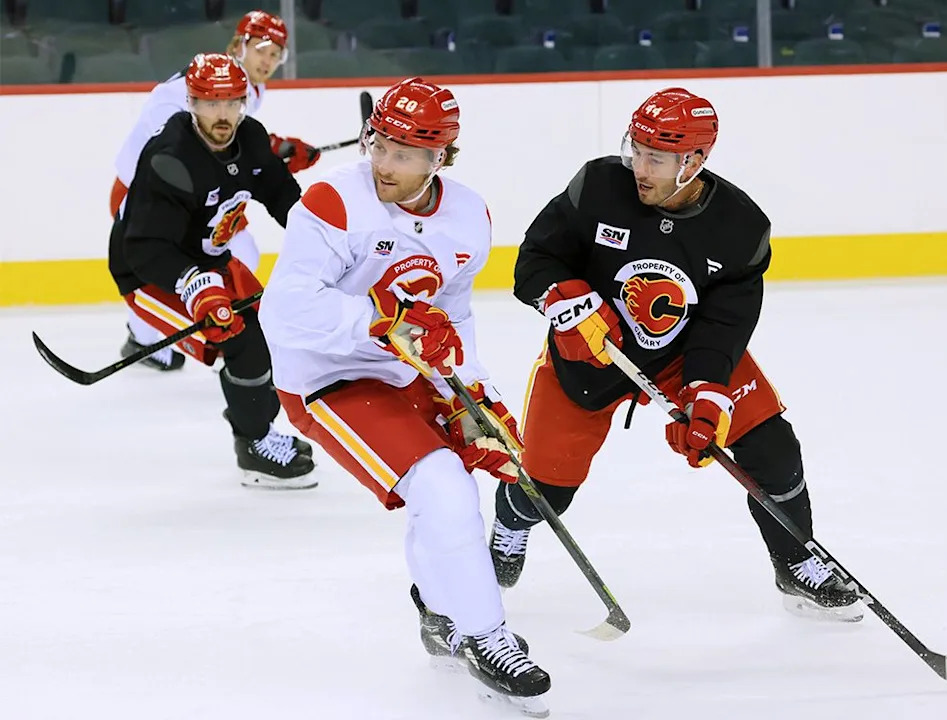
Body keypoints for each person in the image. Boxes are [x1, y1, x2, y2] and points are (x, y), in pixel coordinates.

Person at [487, 87, 862, 623]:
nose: (640, 166)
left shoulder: (740, 227)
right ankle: (511, 521)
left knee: (771, 447)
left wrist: (708, 388)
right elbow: (535, 261)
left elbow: (725, 322)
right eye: (635, 150)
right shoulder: (598, 185)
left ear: (695, 160)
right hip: (589, 354)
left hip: (682, 355)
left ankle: (796, 561)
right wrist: (564, 300)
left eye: (656, 158)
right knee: (548, 488)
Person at [258, 77, 552, 707]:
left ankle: (443, 612)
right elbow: (283, 314)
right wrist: (382, 320)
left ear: (439, 156)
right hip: (325, 376)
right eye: (379, 144)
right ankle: (486, 634)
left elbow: (453, 315)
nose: (384, 163)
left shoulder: (469, 214)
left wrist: (472, 393)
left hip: (404, 371)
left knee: (452, 487)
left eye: (403, 153)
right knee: (441, 482)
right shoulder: (335, 201)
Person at [107, 52, 316, 491]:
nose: (222, 115)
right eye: (209, 103)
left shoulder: (251, 136)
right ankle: (254, 444)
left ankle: (257, 424)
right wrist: (193, 282)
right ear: (191, 103)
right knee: (242, 341)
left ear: (243, 102)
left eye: (231, 103)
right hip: (150, 271)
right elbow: (144, 246)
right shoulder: (171, 157)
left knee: (272, 325)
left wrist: (320, 237)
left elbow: (280, 194)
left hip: (209, 258)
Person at [112, 10, 322, 371]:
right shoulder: (184, 91)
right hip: (147, 194)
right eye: (262, 50)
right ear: (239, 44)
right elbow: (185, 152)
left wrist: (275, 153)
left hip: (200, 197)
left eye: (276, 54)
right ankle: (152, 337)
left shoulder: (247, 86)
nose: (268, 61)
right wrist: (272, 152)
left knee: (237, 252)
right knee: (220, 254)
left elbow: (232, 141)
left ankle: (147, 338)